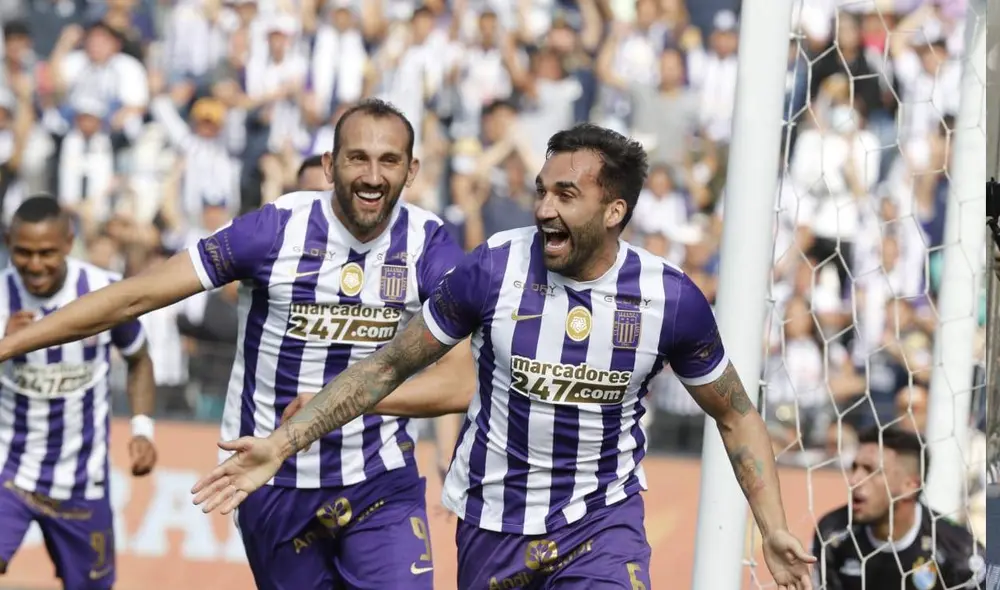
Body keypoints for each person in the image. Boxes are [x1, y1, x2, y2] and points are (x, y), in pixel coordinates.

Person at [191, 124, 817, 589]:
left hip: (599, 521)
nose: (544, 208)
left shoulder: (669, 300)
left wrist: (772, 525)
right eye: (542, 192)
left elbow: (735, 413)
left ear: (614, 210)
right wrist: (283, 441)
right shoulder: (493, 268)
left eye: (566, 195)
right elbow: (386, 367)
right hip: (492, 523)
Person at [0, 99, 474, 589]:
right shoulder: (271, 231)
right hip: (270, 475)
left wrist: (344, 402)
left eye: (389, 160)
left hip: (380, 479)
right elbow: (134, 296)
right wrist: (8, 346)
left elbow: (461, 383)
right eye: (357, 158)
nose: (373, 176)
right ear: (330, 166)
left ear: (412, 169)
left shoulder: (428, 243)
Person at [0, 196, 157, 589]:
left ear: (69, 243)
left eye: (47, 253)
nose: (35, 265)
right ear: (8, 243)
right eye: (24, 252)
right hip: (8, 470)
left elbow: (139, 359)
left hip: (82, 481)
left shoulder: (103, 292)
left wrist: (142, 429)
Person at [812, 426, 987, 590]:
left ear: (910, 486)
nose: (854, 480)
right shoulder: (833, 533)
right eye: (854, 468)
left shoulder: (959, 550)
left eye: (871, 470)